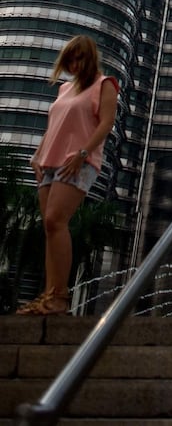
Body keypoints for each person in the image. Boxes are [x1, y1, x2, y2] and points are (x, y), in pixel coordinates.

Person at [16, 35, 119, 316]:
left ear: (90, 58)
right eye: (69, 60)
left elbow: (106, 124)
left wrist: (83, 153)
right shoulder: (64, 89)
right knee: (49, 227)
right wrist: (37, 156)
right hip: (50, 161)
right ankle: (49, 295)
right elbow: (54, 126)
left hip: (78, 161)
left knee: (55, 220)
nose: (74, 64)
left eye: (78, 58)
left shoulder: (104, 85)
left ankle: (60, 297)